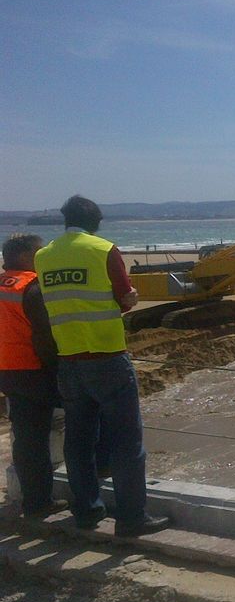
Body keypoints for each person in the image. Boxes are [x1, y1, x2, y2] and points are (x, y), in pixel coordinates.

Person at [34, 196, 169, 537]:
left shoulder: (43, 256)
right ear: (95, 221)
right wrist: (130, 300)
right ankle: (131, 518)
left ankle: (86, 512)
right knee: (126, 441)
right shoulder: (103, 249)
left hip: (69, 358)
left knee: (77, 441)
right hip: (107, 355)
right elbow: (124, 298)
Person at [0, 234, 66, 518]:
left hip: (6, 371)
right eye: (39, 253)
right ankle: (42, 502)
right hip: (32, 370)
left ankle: (34, 501)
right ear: (27, 256)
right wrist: (58, 369)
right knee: (43, 437)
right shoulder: (31, 287)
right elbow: (45, 337)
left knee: (26, 439)